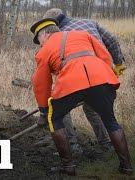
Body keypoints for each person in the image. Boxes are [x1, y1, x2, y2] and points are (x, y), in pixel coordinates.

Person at [29, 18, 132, 176]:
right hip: (101, 79)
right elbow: (104, 55)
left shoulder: (44, 50)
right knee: (110, 120)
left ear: (45, 33)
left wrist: (43, 110)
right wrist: (110, 77)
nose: (40, 43)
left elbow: (40, 83)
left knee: (53, 117)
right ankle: (126, 167)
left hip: (72, 84)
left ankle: (68, 166)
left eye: (39, 39)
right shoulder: (83, 35)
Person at [40, 8, 127, 152]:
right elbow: (111, 40)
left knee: (61, 111)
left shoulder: (60, 35)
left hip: (78, 77)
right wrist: (117, 64)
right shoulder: (89, 22)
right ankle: (106, 144)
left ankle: (72, 145)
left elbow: (51, 66)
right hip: (102, 76)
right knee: (94, 109)